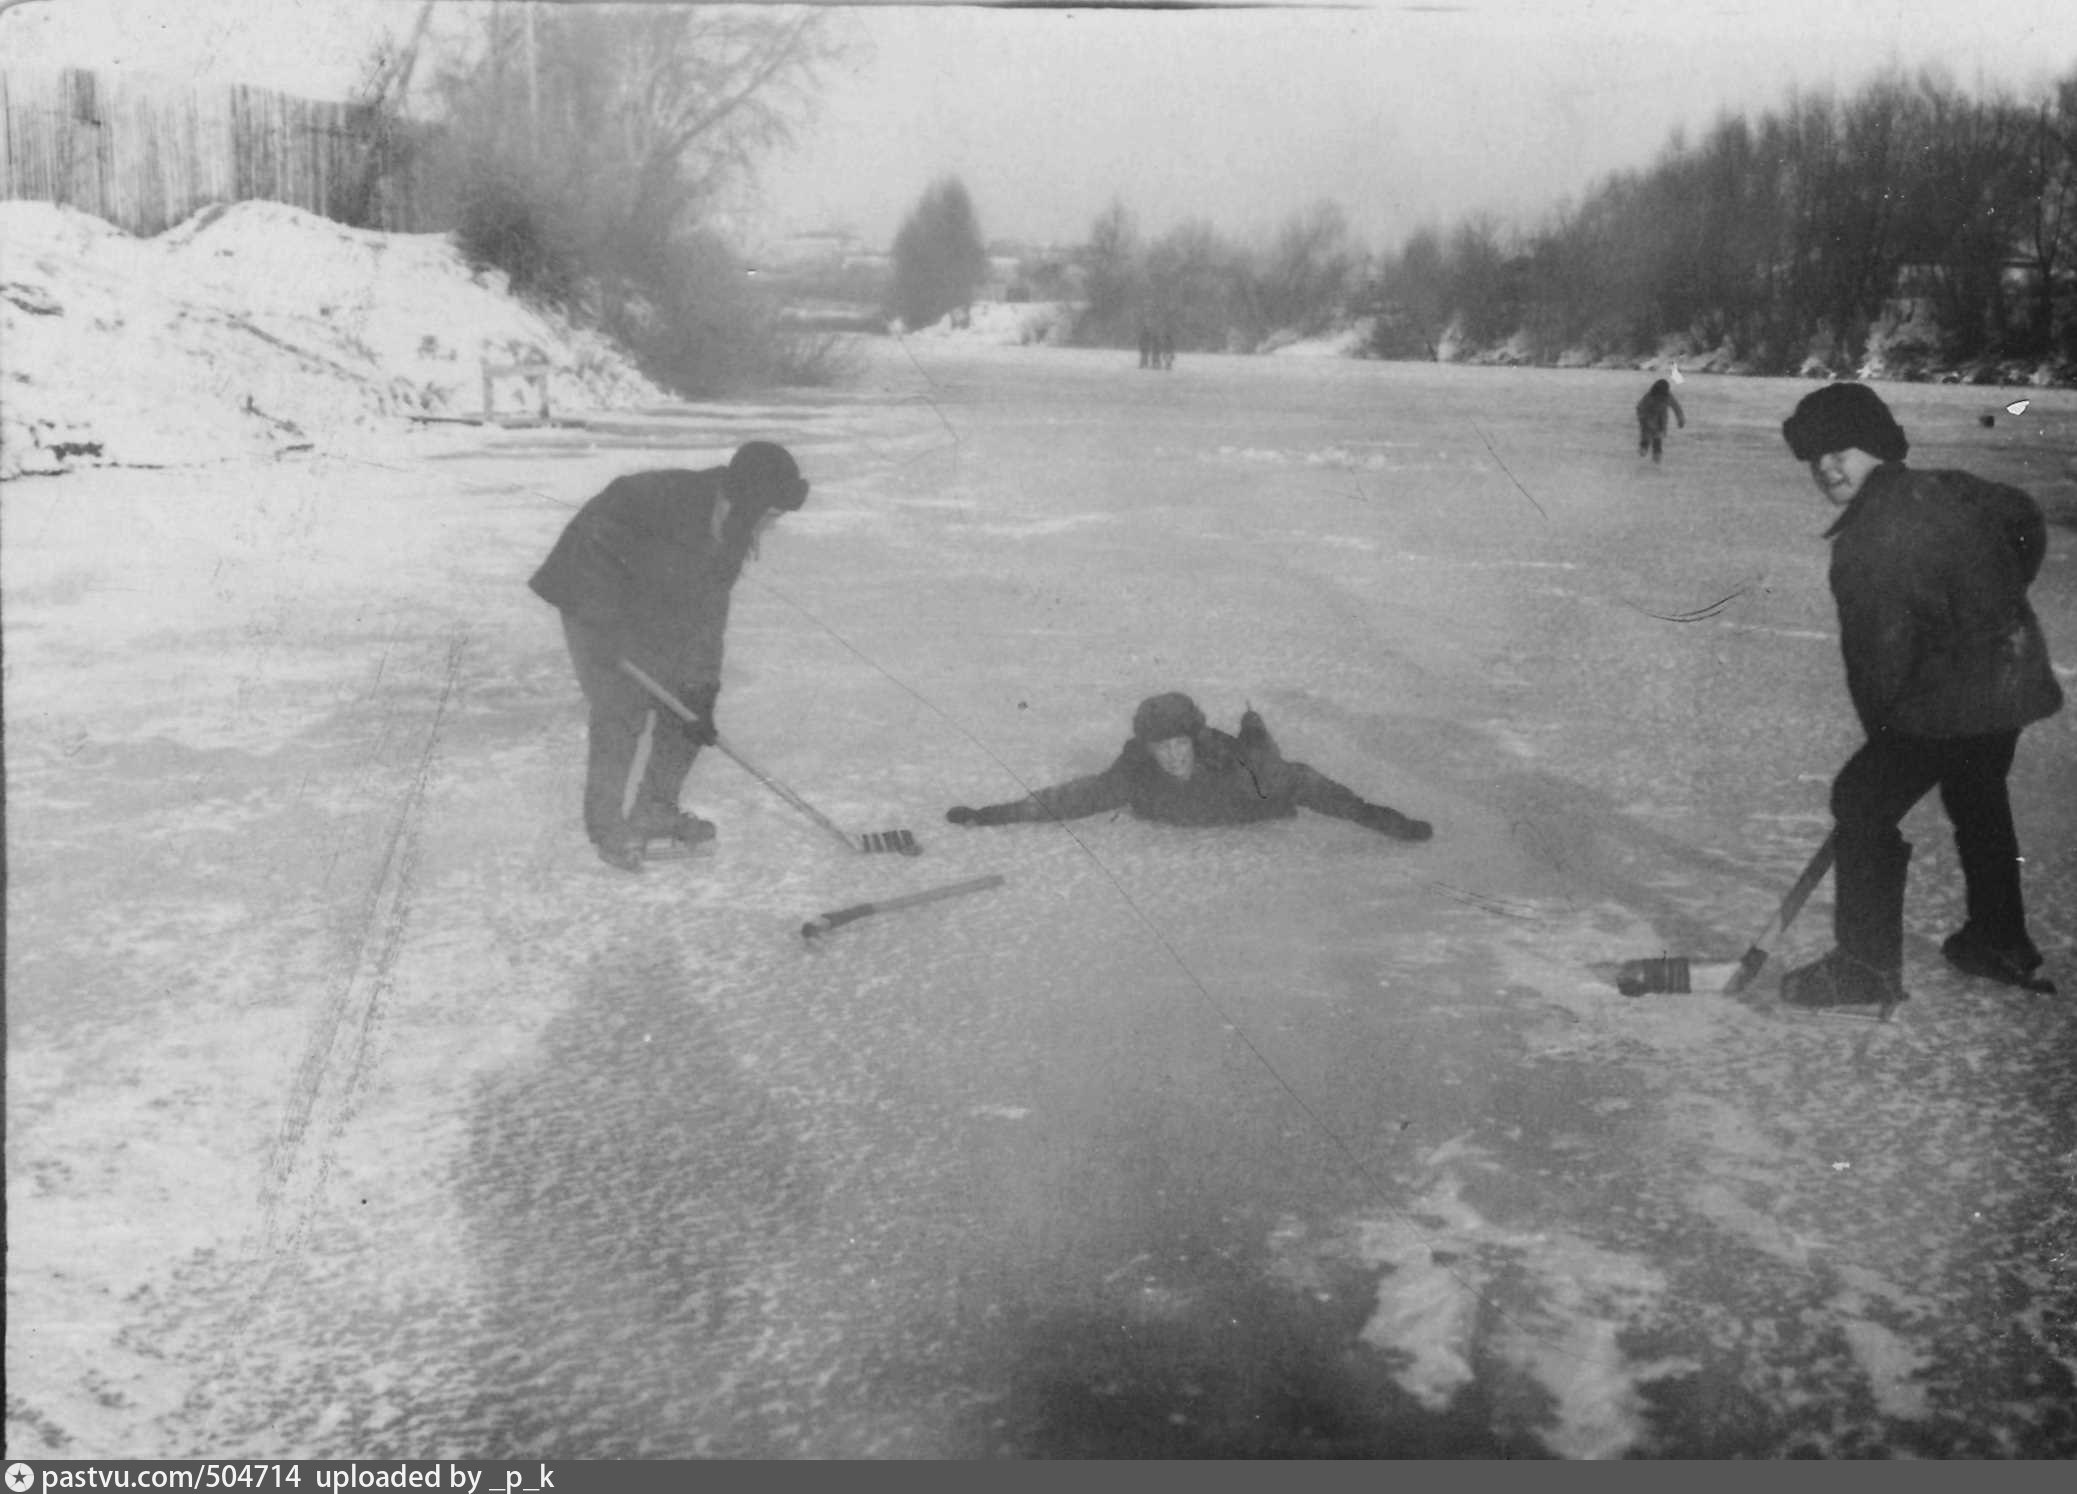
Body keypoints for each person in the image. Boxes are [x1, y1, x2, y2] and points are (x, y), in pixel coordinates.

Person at [1777, 383, 2062, 1008]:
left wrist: (1886, 732)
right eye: (1815, 457)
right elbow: (2023, 519)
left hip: (1944, 702)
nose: (1827, 466)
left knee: (1860, 799)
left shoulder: (1868, 539)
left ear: (1876, 446)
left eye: (1840, 450)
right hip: (2009, 680)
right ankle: (1998, 938)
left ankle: (1865, 968)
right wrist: (1993, 603)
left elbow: (1875, 661)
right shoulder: (1952, 487)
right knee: (1977, 793)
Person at [529, 442, 810, 872]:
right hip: (589, 589)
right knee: (620, 705)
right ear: (747, 502)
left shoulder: (730, 532)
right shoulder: (665, 505)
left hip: (651, 600)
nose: (769, 528)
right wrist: (605, 628)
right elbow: (596, 549)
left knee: (687, 709)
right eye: (768, 516)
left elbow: (707, 616)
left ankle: (654, 810)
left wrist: (704, 688)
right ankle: (606, 828)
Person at [944, 692, 1433, 840]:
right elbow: (1076, 798)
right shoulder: (1135, 774)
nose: (1174, 756)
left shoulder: (1233, 766)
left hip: (1246, 792)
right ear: (1150, 750)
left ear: (1192, 741)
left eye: (1180, 744)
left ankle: (1254, 724)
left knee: (1263, 748)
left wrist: (1374, 816)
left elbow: (1303, 783)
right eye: (1163, 748)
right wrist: (992, 813)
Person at [1636, 377, 1685, 462]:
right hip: (1648, 419)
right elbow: (1640, 408)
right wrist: (1643, 419)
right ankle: (1644, 447)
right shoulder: (1649, 396)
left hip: (1661, 421)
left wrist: (1680, 419)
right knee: (1646, 437)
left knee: (1657, 439)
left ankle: (1657, 456)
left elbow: (1676, 407)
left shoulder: (1668, 396)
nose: (1660, 396)